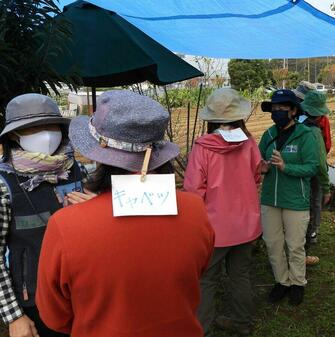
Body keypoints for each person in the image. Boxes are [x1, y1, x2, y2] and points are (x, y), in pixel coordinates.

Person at [36, 90, 215, 337]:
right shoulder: (195, 210)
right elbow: (196, 273)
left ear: (97, 154)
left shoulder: (65, 226)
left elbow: (54, 316)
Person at [0, 93, 83, 337]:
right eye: (34, 128)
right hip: (35, 299)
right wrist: (14, 316)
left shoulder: (74, 170)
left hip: (81, 291)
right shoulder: (5, 184)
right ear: (14, 135)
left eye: (51, 126)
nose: (46, 135)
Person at [184, 88, 262, 336]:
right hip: (247, 225)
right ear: (238, 115)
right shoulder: (249, 144)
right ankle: (242, 322)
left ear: (212, 118)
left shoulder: (202, 147)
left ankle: (202, 329)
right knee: (240, 275)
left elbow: (194, 191)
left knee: (206, 280)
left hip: (214, 228)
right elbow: (256, 175)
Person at [259, 90, 319, 305]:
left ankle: (297, 283)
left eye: (283, 108)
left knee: (295, 245)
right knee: (273, 243)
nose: (277, 112)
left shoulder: (305, 135)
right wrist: (263, 168)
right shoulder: (268, 135)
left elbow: (312, 167)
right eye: (274, 108)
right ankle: (281, 281)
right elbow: (258, 163)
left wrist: (286, 166)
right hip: (269, 199)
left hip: (295, 200)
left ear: (293, 110)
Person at [299, 91, 332, 249]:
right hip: (314, 173)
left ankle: (300, 232)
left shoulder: (295, 124)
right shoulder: (314, 130)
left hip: (298, 172)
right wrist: (326, 187)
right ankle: (311, 233)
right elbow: (321, 160)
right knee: (316, 201)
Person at [294, 81, 332, 153]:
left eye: (300, 99)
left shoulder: (322, 120)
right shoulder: (292, 114)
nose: (298, 101)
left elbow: (327, 145)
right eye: (297, 98)